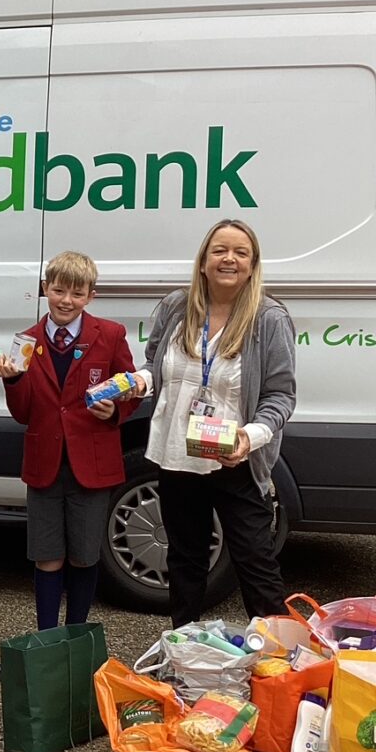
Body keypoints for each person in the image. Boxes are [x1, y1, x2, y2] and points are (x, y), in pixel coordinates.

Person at [133, 220, 297, 628]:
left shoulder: (269, 318)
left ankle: (276, 667)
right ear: (203, 262)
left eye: (240, 252)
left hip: (234, 458)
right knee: (185, 560)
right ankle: (186, 652)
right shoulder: (176, 306)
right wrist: (136, 382)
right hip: (178, 454)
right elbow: (156, 366)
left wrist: (249, 437)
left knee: (255, 563)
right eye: (220, 250)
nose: (229, 259)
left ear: (252, 264)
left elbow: (281, 396)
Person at [5, 251, 139, 630]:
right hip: (44, 465)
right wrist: (13, 381)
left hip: (92, 467)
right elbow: (23, 413)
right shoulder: (26, 342)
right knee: (47, 558)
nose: (66, 300)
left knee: (84, 557)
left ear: (90, 296)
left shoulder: (110, 335)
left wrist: (115, 412)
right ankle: (47, 636)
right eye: (59, 290)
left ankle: (76, 634)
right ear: (45, 288)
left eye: (76, 293)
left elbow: (130, 388)